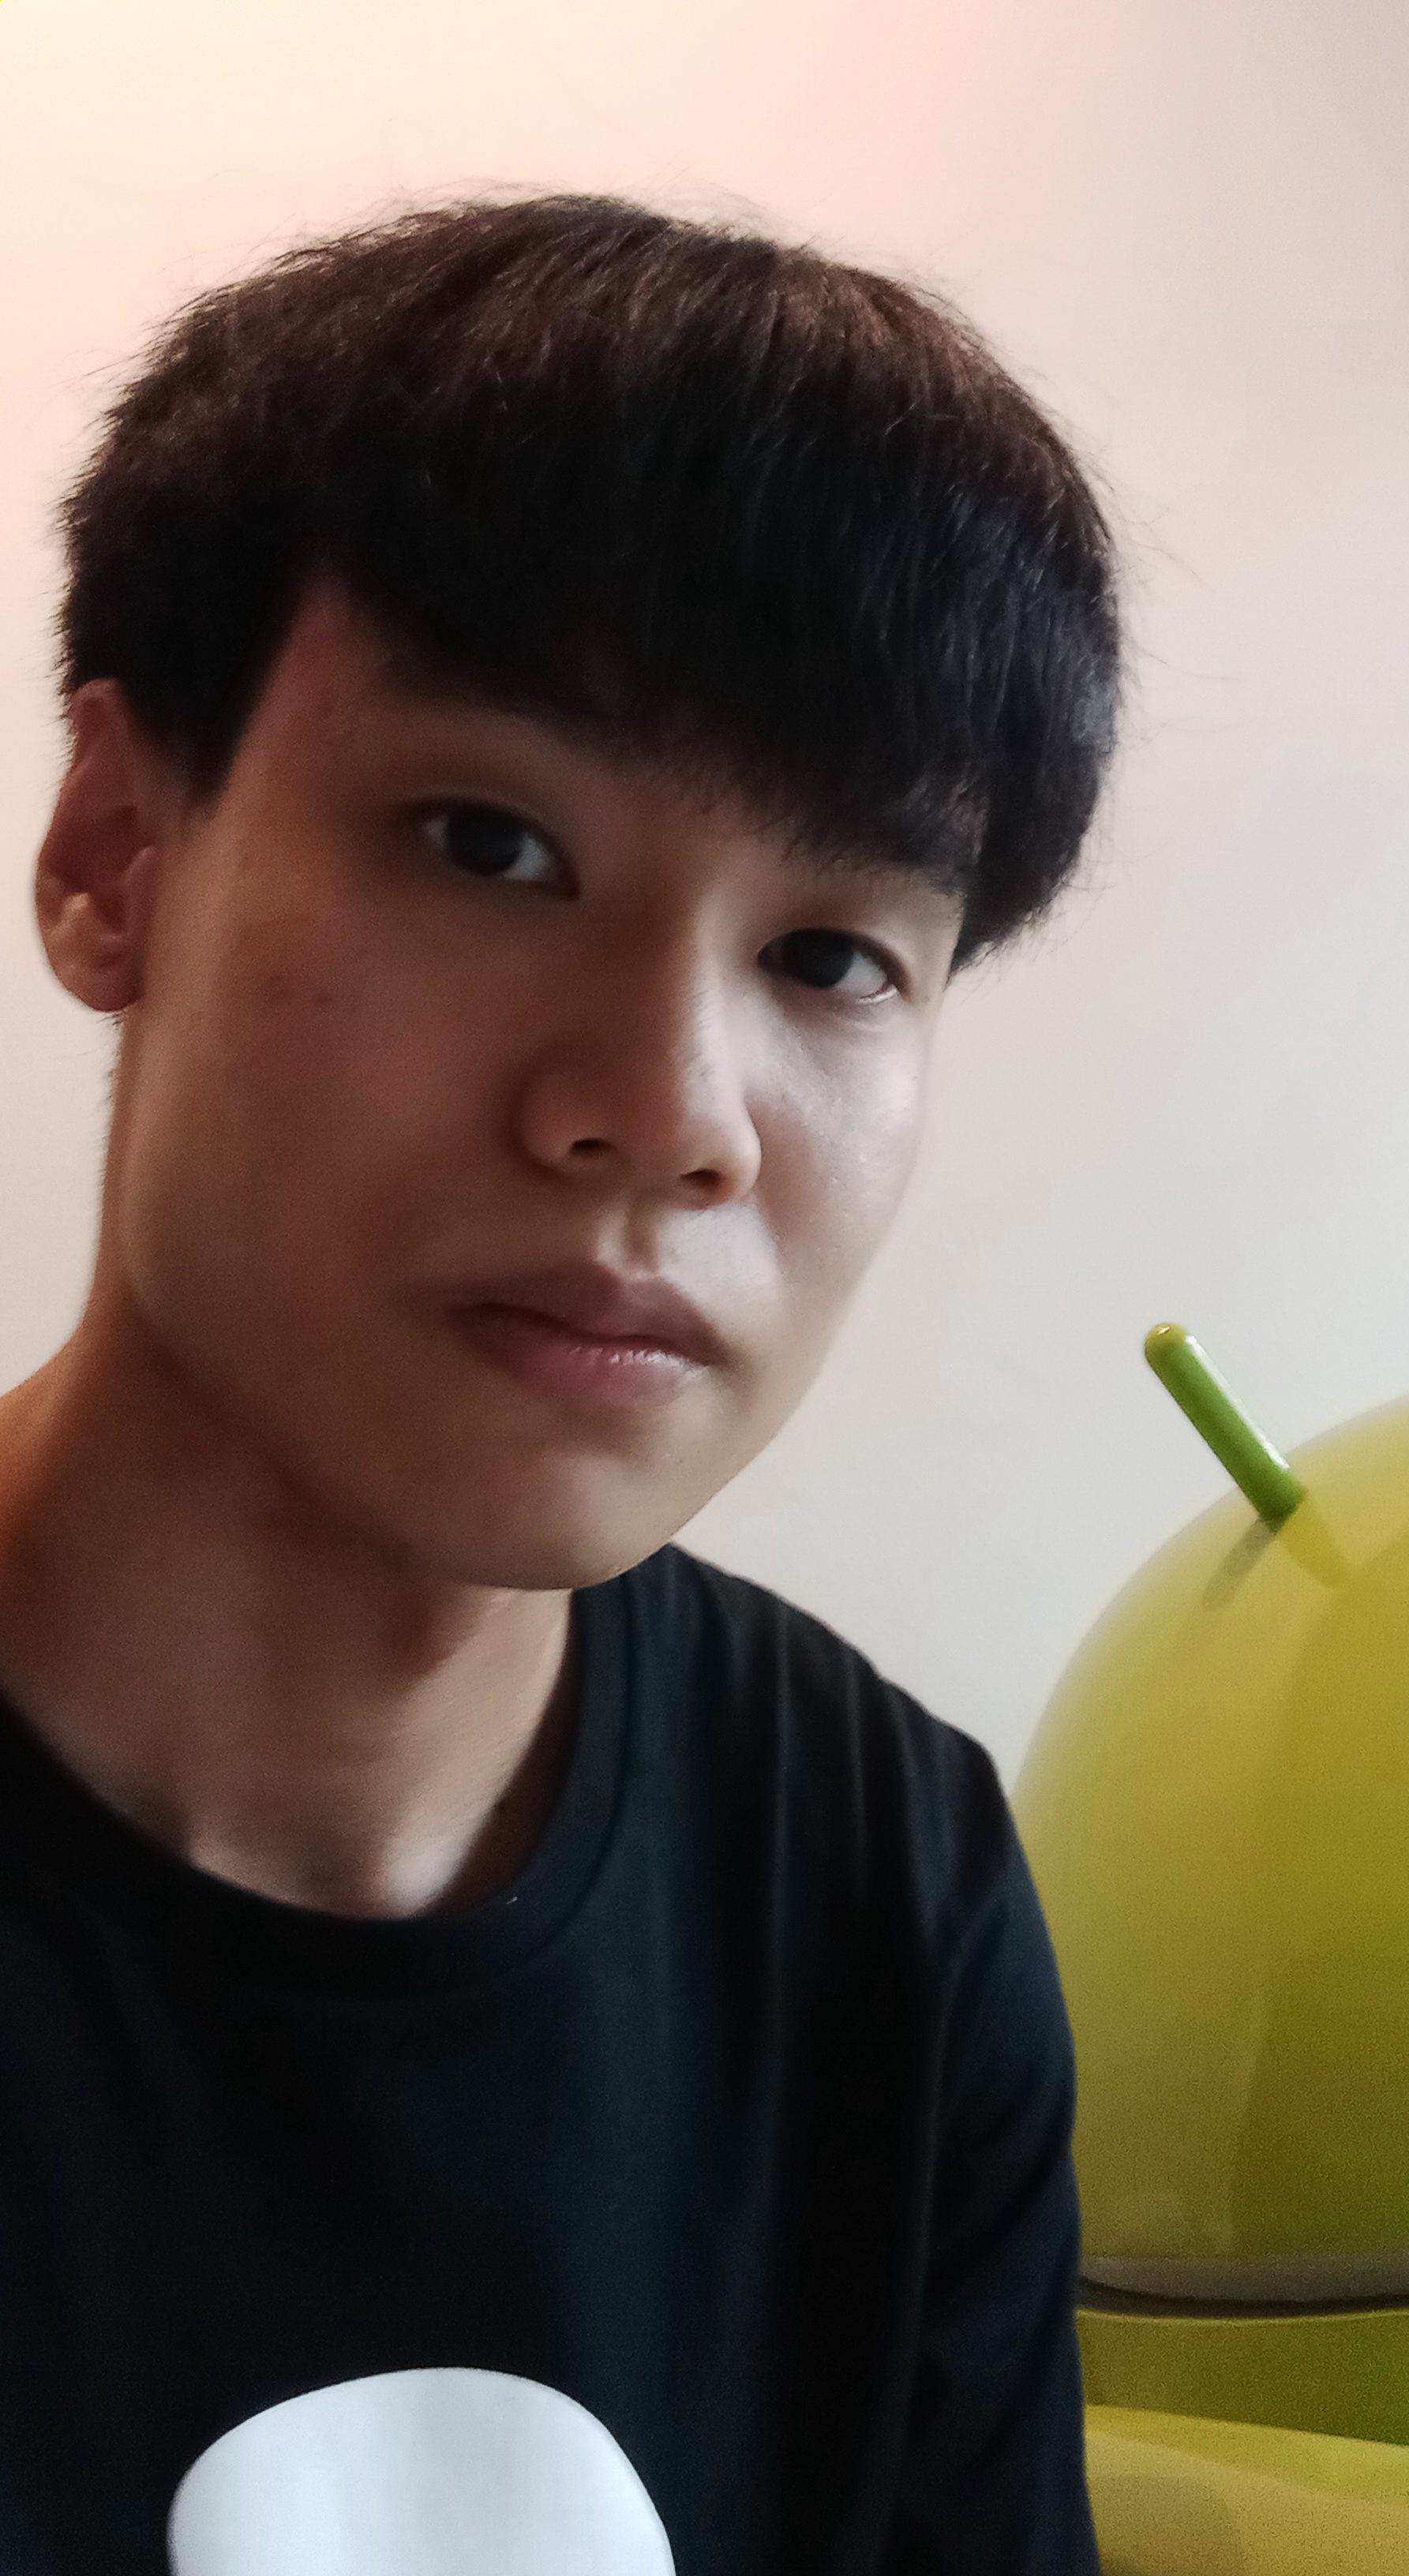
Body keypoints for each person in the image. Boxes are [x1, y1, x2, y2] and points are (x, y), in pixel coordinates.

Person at [0, 193, 1120, 2574]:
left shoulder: (880, 1889)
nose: (670, 1111)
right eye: (492, 842)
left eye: (834, 956)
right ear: (116, 850)